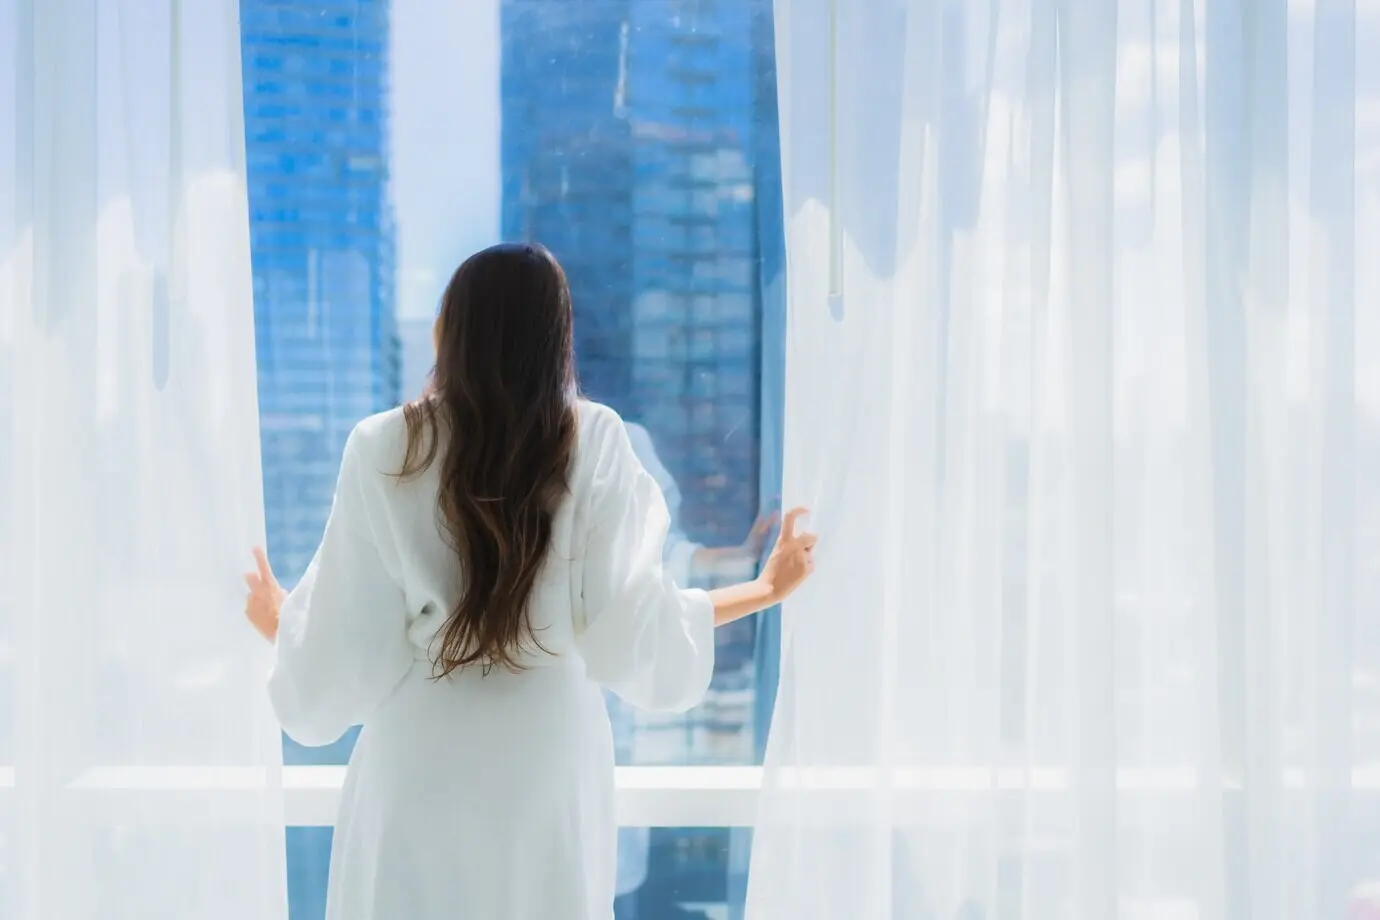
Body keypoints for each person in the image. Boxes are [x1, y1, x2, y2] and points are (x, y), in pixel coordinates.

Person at [242, 242, 816, 920]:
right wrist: (766, 590)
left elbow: (340, 658)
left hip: (415, 771)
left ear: (445, 332)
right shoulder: (594, 438)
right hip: (548, 777)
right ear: (557, 340)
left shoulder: (383, 445)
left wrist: (282, 621)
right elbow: (634, 634)